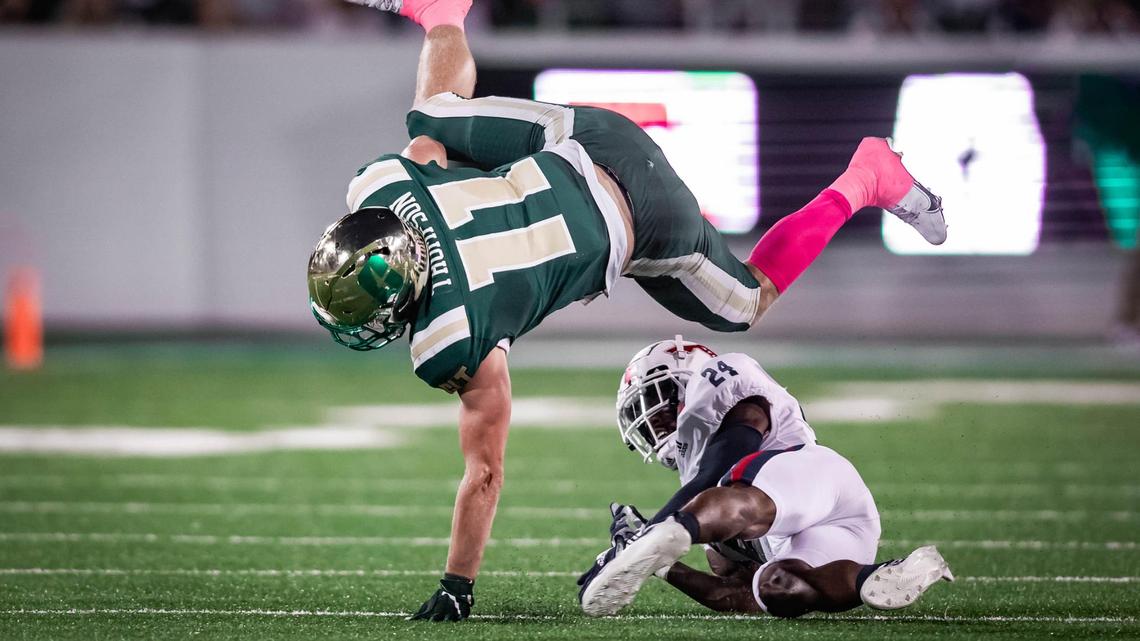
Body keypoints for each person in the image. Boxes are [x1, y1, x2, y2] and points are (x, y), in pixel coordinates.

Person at [305, 0, 947, 621]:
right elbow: (428, 152)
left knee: (747, 300)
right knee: (432, 115)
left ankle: (866, 178)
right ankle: (440, 12)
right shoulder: (380, 187)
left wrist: (457, 584)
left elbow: (485, 473)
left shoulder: (452, 338)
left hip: (644, 222)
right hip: (589, 135)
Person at [577, 337, 953, 617]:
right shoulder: (704, 506)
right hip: (843, 532)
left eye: (654, 398)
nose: (651, 419)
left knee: (737, 494)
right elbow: (738, 597)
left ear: (683, 379)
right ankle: (880, 576)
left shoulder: (719, 387)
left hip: (812, 479)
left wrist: (645, 539)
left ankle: (661, 538)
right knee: (778, 589)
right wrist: (662, 567)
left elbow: (722, 464)